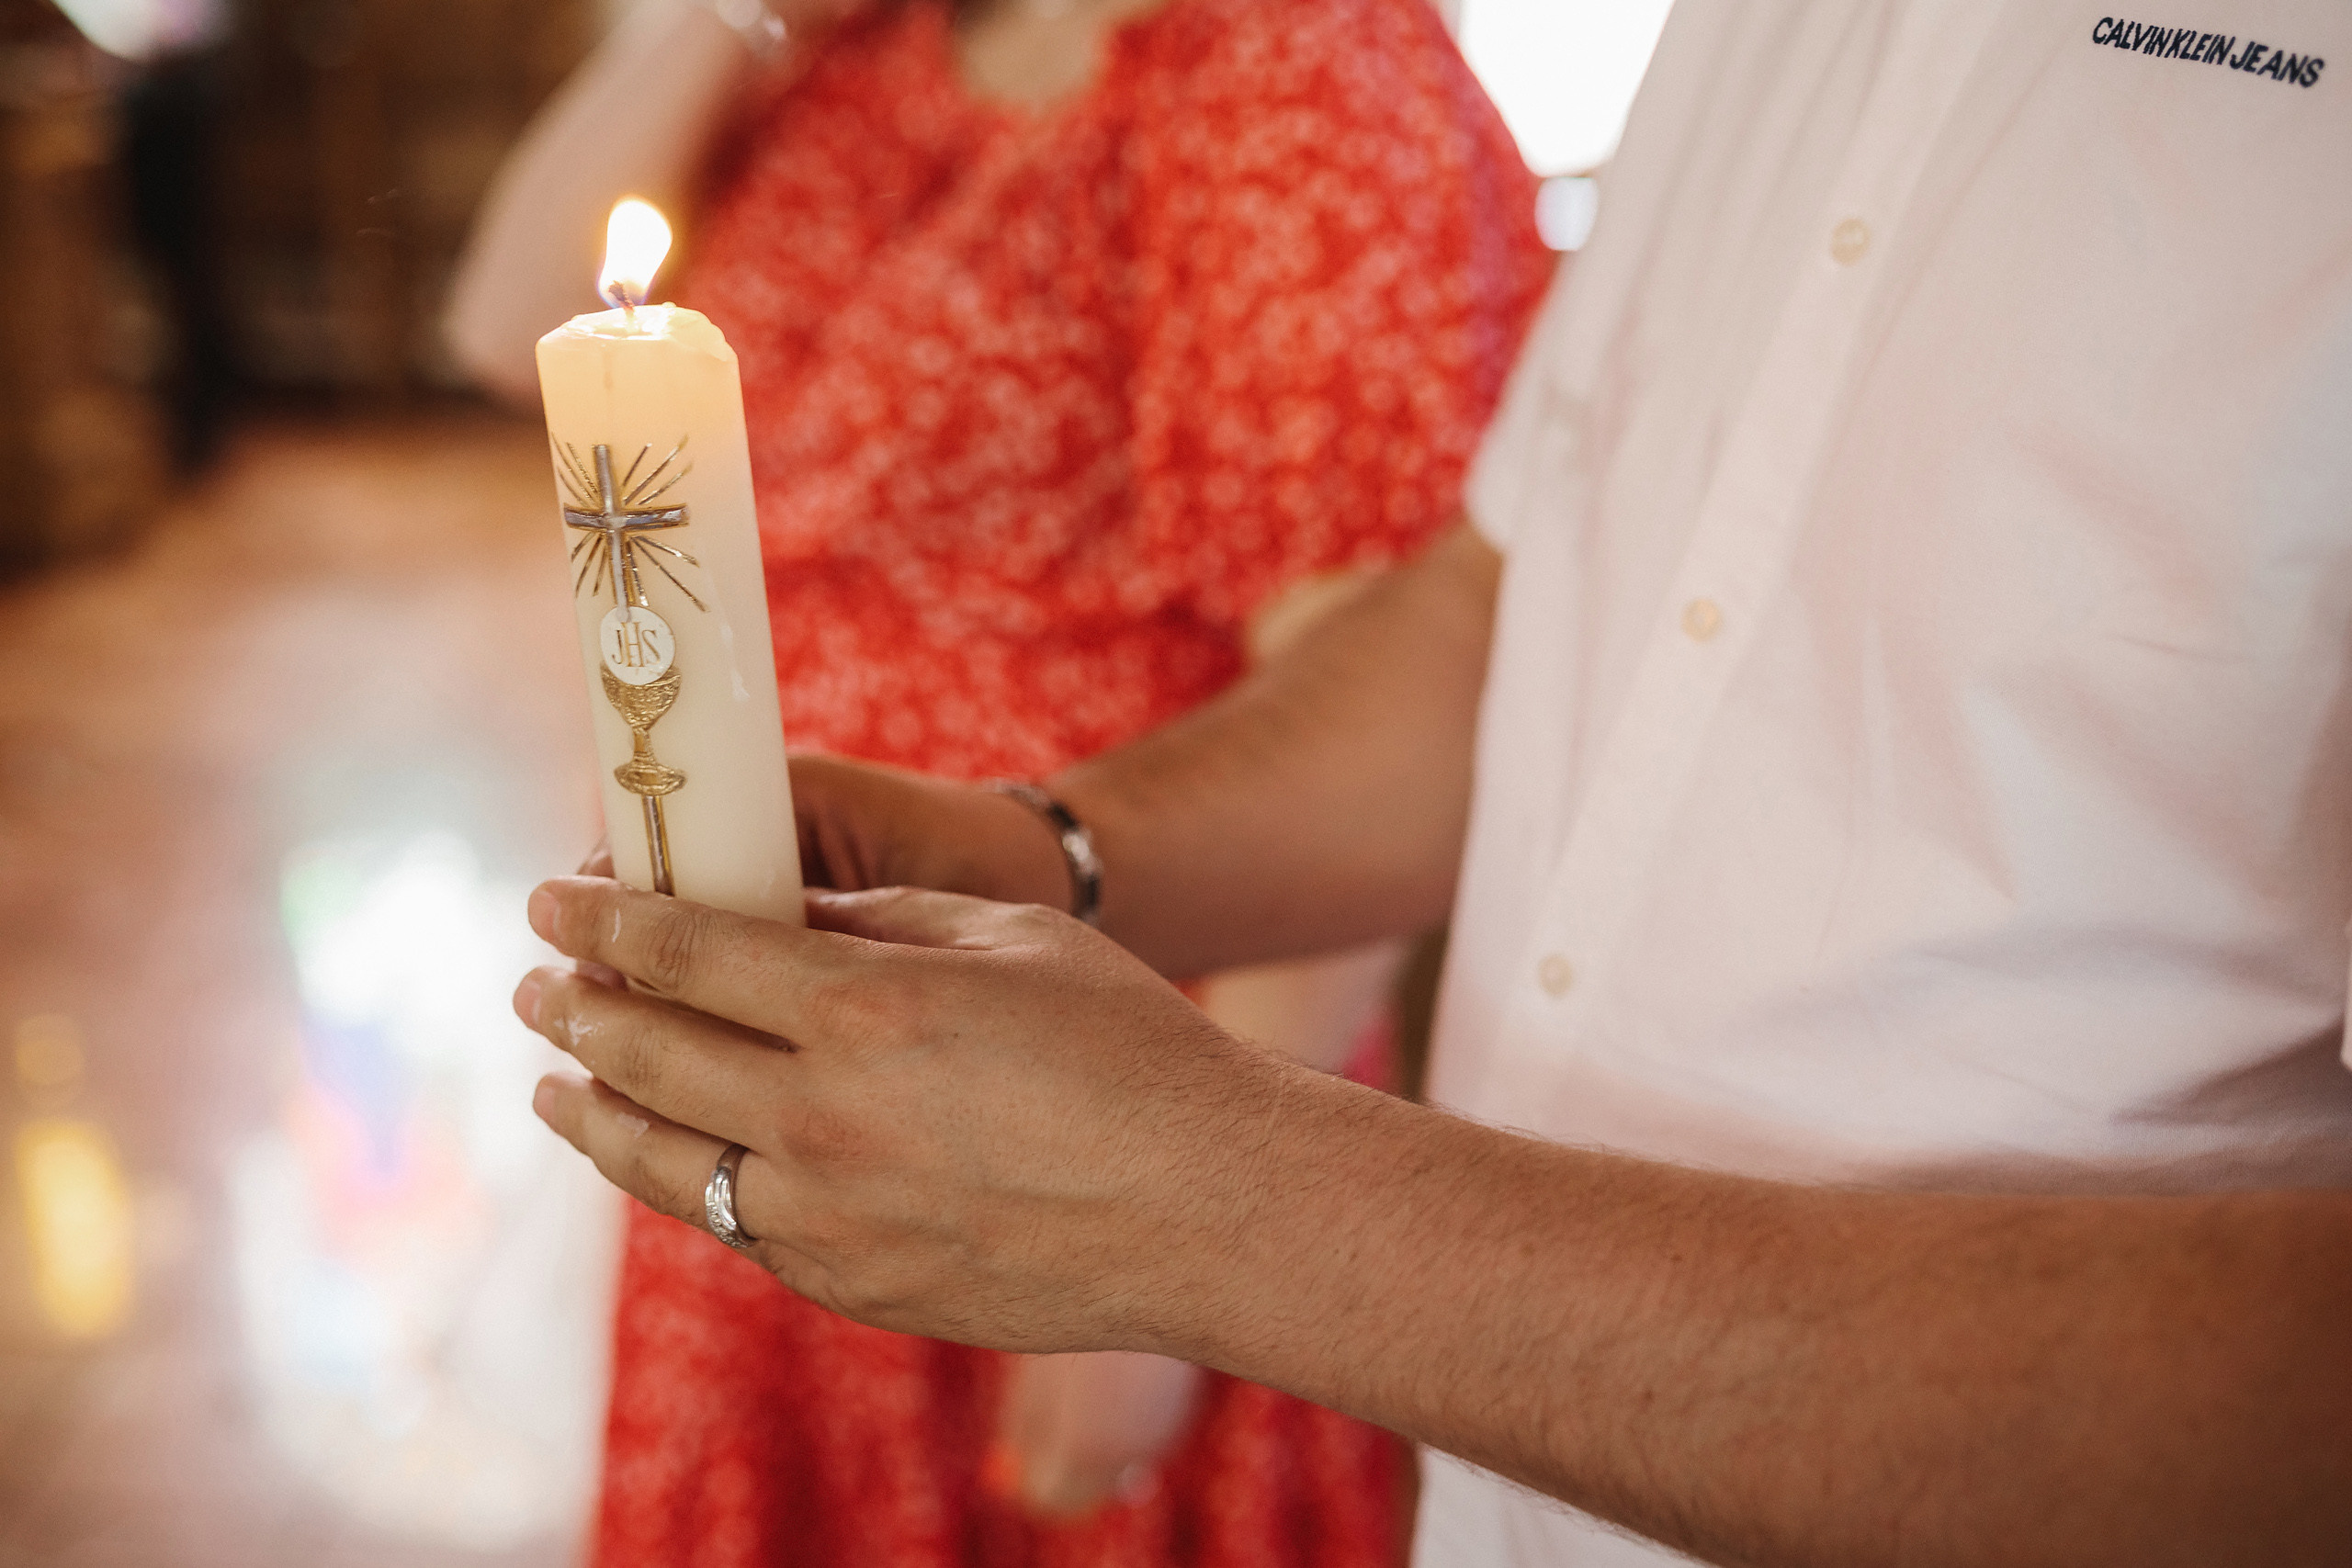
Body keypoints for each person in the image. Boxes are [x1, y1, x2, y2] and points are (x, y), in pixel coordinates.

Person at [508, 0, 2352, 1562]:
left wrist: (1195, 1213)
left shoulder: (1292, 68)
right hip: (1498, 1459)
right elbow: (1514, 599)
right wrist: (1045, 846)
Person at [450, 0, 1551, 1558]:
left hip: (1072, 1072)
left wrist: (1171, 1260)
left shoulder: (1288, 67)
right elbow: (510, 320)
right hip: (774, 1002)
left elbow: (1382, 721)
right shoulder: (845, 46)